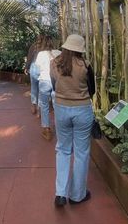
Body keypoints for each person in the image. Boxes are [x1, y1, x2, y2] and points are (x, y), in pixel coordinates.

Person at [50, 34, 95, 207]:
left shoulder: (54, 63)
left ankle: (60, 193)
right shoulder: (85, 65)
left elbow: (55, 86)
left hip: (61, 109)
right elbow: (92, 90)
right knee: (81, 152)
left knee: (62, 150)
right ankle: (77, 195)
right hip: (82, 110)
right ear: (80, 49)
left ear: (65, 47)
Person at [35, 35, 61, 141]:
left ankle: (47, 129)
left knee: (44, 105)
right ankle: (60, 131)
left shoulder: (40, 54)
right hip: (56, 82)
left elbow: (37, 70)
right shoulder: (59, 53)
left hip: (44, 81)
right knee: (57, 107)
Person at [25, 34, 43, 115]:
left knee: (34, 87)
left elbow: (29, 58)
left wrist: (26, 67)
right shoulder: (45, 47)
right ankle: (39, 108)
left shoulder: (33, 46)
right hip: (41, 69)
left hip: (33, 68)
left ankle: (33, 105)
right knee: (40, 89)